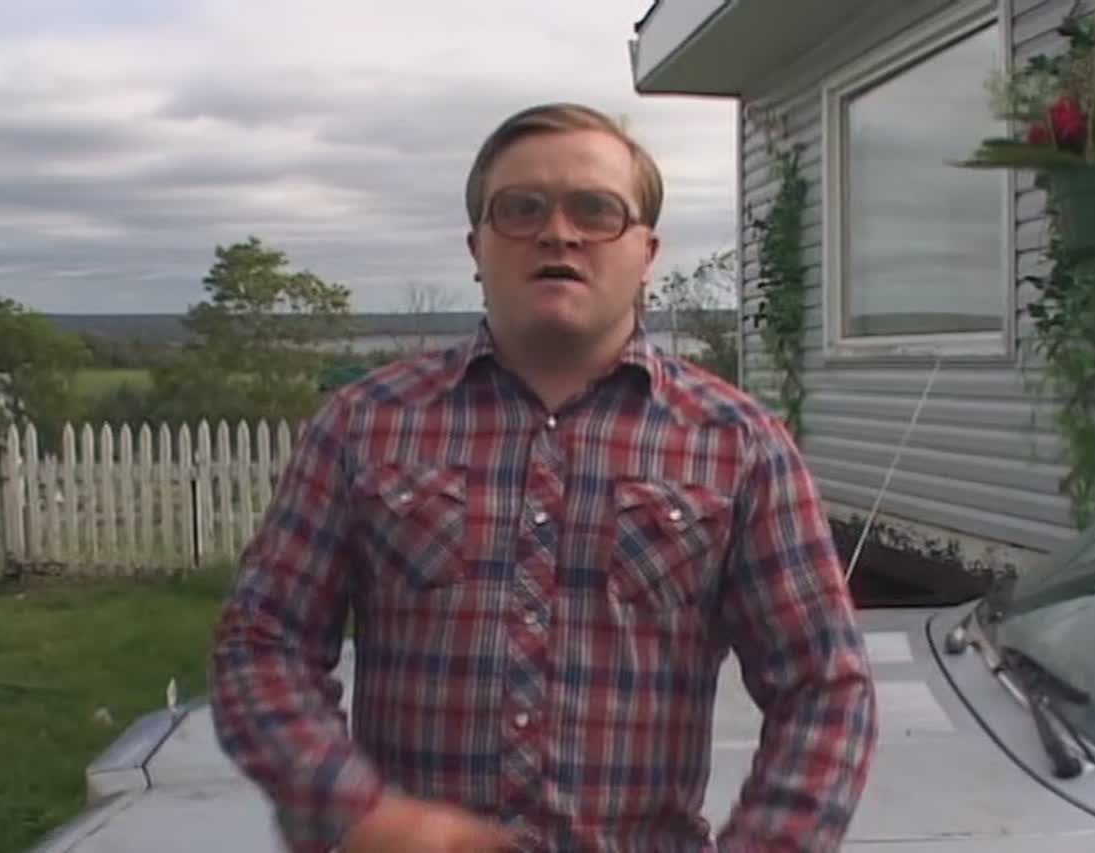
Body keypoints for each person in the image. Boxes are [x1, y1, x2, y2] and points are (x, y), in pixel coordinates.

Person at [210, 101, 877, 853]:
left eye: (596, 210)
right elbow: (263, 641)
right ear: (477, 246)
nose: (558, 232)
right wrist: (355, 809)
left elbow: (825, 685)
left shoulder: (739, 446)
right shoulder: (364, 425)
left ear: (647, 252)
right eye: (521, 209)